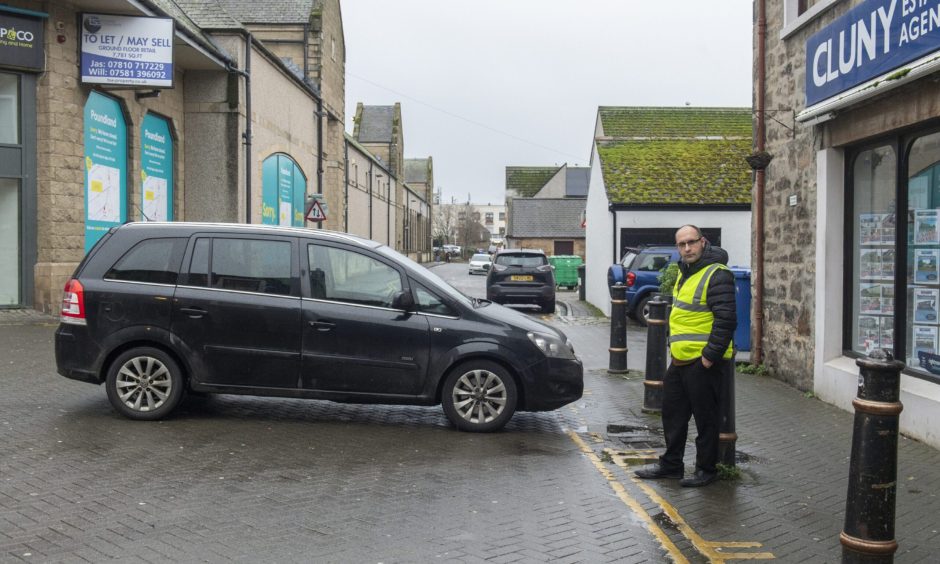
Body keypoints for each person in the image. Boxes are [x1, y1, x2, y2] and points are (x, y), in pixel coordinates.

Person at [635, 224, 736, 487]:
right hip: (681, 360)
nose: (687, 248)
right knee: (673, 414)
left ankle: (706, 469)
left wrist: (709, 357)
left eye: (691, 242)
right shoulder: (685, 273)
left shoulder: (717, 274)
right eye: (682, 244)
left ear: (703, 242)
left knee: (706, 419)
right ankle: (671, 465)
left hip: (703, 362)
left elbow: (726, 320)